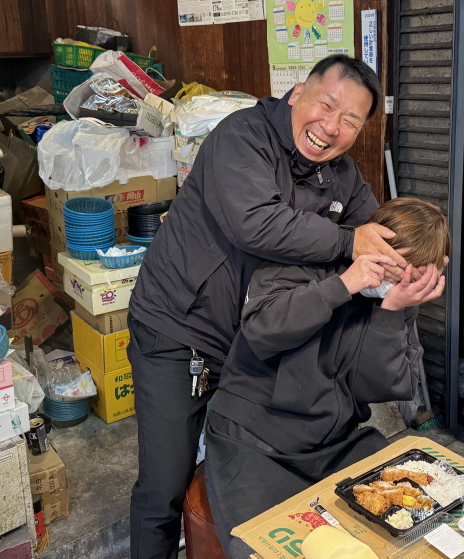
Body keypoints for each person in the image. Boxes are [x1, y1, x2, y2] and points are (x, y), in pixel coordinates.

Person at [127, 55, 409, 559]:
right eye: (327, 105)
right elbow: (255, 223)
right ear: (297, 91)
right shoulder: (242, 137)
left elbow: (376, 230)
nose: (332, 127)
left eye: (351, 121)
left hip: (251, 341)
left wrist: (413, 257)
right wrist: (351, 245)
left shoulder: (341, 175)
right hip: (181, 327)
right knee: (165, 484)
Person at [203, 197, 451, 559]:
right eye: (395, 267)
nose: (399, 280)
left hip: (336, 442)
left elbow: (385, 386)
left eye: (413, 276)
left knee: (419, 519)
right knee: (263, 548)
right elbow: (261, 330)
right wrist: (344, 284)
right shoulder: (306, 259)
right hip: (254, 440)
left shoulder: (396, 299)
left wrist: (393, 311)